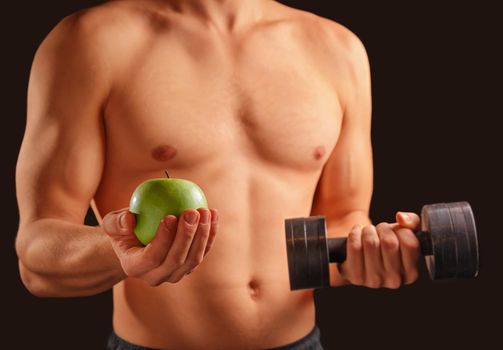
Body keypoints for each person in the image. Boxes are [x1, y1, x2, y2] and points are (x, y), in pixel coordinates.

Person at [15, 1, 421, 349]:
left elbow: (344, 219)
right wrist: (119, 253)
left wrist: (371, 253)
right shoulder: (90, 42)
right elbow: (36, 257)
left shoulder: (338, 50)